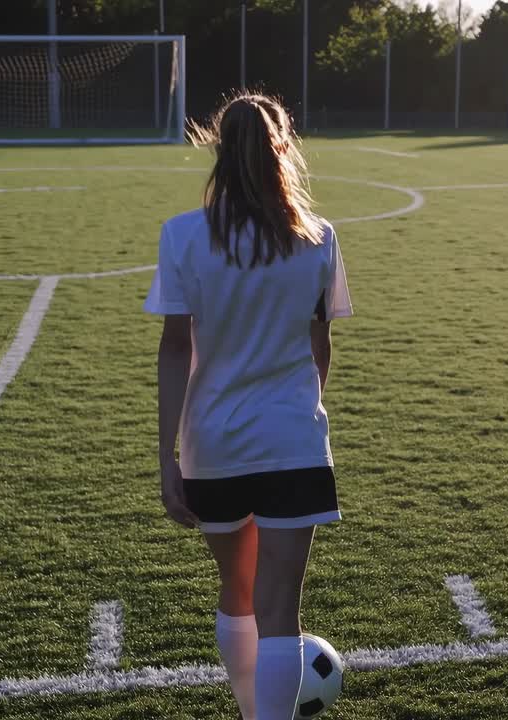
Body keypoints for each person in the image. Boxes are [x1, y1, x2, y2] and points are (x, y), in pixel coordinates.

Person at [144, 93, 352, 720]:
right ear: (281, 147)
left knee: (238, 595)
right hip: (292, 438)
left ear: (216, 147)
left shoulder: (182, 236)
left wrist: (167, 456)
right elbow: (322, 350)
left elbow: (175, 350)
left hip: (214, 443)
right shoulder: (319, 238)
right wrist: (292, 413)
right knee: (280, 606)